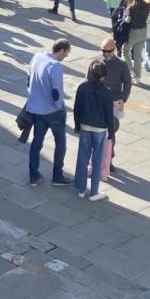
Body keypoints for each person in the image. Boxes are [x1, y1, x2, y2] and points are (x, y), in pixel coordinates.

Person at [26, 39, 73, 187]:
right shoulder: (55, 66)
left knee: (36, 142)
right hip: (53, 112)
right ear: (62, 50)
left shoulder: (36, 57)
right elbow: (56, 93)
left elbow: (28, 81)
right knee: (60, 143)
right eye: (66, 53)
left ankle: (34, 176)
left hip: (36, 109)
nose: (65, 57)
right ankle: (57, 176)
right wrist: (61, 107)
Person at [73, 61, 116, 201]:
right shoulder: (107, 92)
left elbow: (76, 108)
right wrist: (111, 133)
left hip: (85, 126)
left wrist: (77, 125)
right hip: (100, 129)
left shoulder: (82, 87)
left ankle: (80, 189)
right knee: (97, 159)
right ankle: (94, 192)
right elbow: (109, 114)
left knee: (82, 158)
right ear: (103, 76)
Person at [114, 0, 149, 82]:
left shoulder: (131, 8)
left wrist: (125, 18)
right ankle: (138, 77)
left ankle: (131, 71)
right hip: (144, 31)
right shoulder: (146, 5)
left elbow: (128, 20)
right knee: (138, 56)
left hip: (134, 32)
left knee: (125, 51)